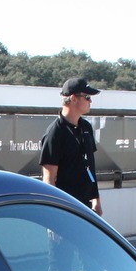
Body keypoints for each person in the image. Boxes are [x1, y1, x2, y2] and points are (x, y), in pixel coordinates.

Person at [40, 77, 101, 213]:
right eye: (87, 97)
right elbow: (49, 180)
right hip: (65, 208)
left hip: (86, 205)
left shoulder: (86, 127)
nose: (90, 101)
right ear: (73, 99)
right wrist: (58, 212)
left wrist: (96, 199)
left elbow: (90, 166)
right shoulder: (55, 133)